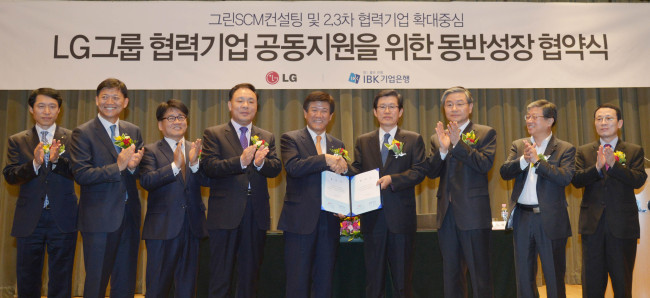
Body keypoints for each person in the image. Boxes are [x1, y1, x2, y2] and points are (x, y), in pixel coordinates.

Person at [200, 83, 282, 298]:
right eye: (240, 101)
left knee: (250, 275)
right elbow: (209, 167)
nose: (245, 105)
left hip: (256, 214)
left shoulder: (266, 136)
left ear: (257, 106)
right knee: (221, 275)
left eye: (251, 101)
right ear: (230, 105)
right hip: (224, 214)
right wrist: (240, 161)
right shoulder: (214, 133)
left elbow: (275, 169)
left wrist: (261, 163)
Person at [69, 78, 144, 298]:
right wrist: (118, 166)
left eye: (115, 97)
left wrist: (131, 168)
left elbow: (138, 172)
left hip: (129, 217)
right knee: (96, 282)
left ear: (125, 102)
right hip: (99, 219)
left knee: (125, 281)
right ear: (96, 100)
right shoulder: (83, 133)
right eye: (105, 97)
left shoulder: (133, 130)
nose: (110, 102)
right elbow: (82, 175)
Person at [349, 89, 427, 298]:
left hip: (401, 220)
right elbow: (356, 172)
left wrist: (394, 180)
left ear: (400, 111)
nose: (387, 111)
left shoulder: (413, 139)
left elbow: (419, 171)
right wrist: (342, 168)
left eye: (392, 106)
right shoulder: (363, 141)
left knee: (402, 281)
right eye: (382, 107)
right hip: (372, 219)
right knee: (374, 280)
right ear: (374, 112)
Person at [3, 88, 78, 298]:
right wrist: (34, 163)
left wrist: (56, 161)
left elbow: (78, 173)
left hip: (63, 217)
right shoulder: (17, 140)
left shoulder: (72, 138)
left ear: (59, 110)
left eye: (52, 106)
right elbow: (10, 176)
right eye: (41, 106)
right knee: (27, 278)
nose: (47, 111)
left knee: (62, 278)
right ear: (31, 109)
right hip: (29, 219)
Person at [499, 99, 575, 298]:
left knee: (553, 275)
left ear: (550, 121)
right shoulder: (519, 145)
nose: (529, 120)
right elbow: (505, 172)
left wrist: (538, 162)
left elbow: (565, 178)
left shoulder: (564, 148)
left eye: (535, 116)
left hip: (549, 218)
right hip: (523, 217)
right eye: (528, 116)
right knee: (524, 275)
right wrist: (524, 159)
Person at [277, 91, 348, 298]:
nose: (319, 115)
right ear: (305, 113)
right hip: (299, 222)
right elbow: (293, 167)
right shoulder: (290, 138)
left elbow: (342, 177)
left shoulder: (338, 144)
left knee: (324, 280)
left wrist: (345, 174)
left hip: (329, 221)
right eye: (315, 110)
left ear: (331, 116)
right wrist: (325, 158)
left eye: (324, 111)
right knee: (297, 281)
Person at [571, 103, 647, 298]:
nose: (603, 122)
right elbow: (576, 180)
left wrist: (614, 166)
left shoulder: (633, 150)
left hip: (622, 228)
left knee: (622, 284)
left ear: (619, 123)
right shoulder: (584, 151)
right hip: (592, 227)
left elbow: (639, 180)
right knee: (592, 285)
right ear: (594, 124)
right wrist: (596, 168)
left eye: (609, 118)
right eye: (599, 119)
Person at [426, 86, 496, 298]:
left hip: (473, 214)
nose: (454, 108)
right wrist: (443, 149)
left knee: (479, 274)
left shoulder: (485, 133)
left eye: (459, 103)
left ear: (470, 107)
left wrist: (458, 144)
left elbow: (484, 165)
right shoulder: (437, 137)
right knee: (452, 274)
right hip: (446, 215)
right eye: (449, 104)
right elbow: (431, 172)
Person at [139, 99, 209, 297]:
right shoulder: (150, 151)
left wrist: (195, 164)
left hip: (191, 227)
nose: (177, 121)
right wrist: (175, 166)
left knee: (187, 287)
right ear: (160, 125)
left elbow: (208, 182)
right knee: (158, 286)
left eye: (181, 117)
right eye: (171, 118)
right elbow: (146, 180)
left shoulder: (195, 148)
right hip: (162, 228)